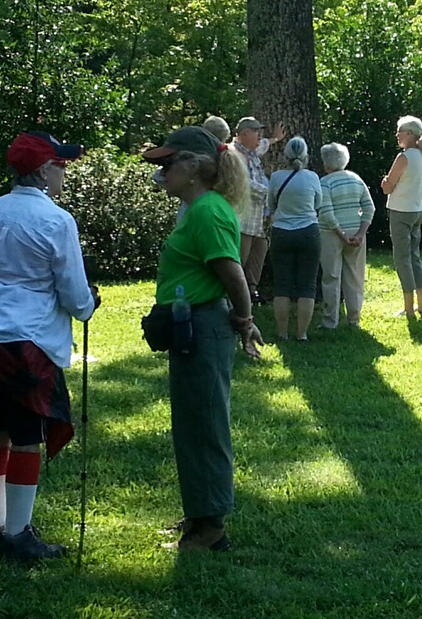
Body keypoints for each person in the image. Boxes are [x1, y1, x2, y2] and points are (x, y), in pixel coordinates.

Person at [0, 131, 100, 561]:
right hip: (25, 343)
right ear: (44, 171)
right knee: (27, 438)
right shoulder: (56, 221)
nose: (63, 174)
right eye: (61, 166)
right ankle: (18, 533)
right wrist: (88, 306)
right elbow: (74, 294)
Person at [143, 126, 262, 552]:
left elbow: (233, 274)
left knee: (206, 424)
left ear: (194, 167)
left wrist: (244, 320)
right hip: (191, 327)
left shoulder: (209, 211)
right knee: (191, 423)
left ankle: (211, 527)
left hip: (205, 328)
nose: (162, 173)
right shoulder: (199, 209)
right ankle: (198, 513)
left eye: (168, 163)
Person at [268, 136, 323, 340]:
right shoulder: (312, 177)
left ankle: (282, 333)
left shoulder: (276, 177)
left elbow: (271, 205)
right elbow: (318, 204)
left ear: (286, 156)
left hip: (281, 231)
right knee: (307, 285)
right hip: (308, 231)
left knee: (281, 284)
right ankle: (302, 334)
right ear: (306, 155)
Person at [317, 143, 375, 329]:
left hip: (330, 234)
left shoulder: (324, 182)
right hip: (356, 232)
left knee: (331, 277)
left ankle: (330, 321)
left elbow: (326, 212)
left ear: (326, 163)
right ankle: (354, 319)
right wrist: (360, 233)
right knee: (355, 276)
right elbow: (369, 208)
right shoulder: (355, 179)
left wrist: (341, 234)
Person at [231, 116, 286, 306]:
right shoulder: (235, 155)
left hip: (257, 220)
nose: (259, 136)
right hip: (244, 218)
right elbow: (246, 184)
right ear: (244, 134)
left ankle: (251, 291)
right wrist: (273, 194)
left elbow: (263, 144)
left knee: (260, 250)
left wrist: (275, 139)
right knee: (240, 258)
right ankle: (233, 296)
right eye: (256, 132)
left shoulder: (251, 150)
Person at [382, 116, 422, 317]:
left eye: (400, 131)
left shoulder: (404, 157)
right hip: (417, 210)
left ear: (410, 134)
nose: (397, 135)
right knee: (414, 257)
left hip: (400, 211)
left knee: (402, 259)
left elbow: (388, 187)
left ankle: (408, 307)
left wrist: (385, 181)